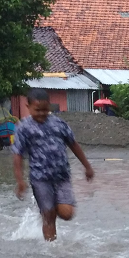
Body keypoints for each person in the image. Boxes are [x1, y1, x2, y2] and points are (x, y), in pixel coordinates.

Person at [13, 89, 95, 242]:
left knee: (66, 213)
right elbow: (18, 154)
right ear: (28, 107)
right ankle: (51, 251)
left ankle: (47, 209)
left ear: (50, 107)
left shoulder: (58, 123)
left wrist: (87, 166)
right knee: (49, 217)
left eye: (45, 109)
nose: (42, 113)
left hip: (62, 176)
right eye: (37, 110)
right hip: (40, 179)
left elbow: (73, 144)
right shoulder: (23, 128)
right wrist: (20, 180)